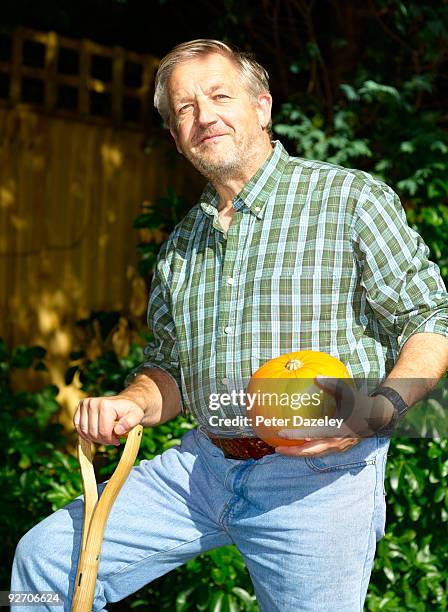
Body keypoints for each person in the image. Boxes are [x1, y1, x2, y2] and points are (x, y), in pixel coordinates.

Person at [11, 39, 448, 611]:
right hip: (203, 465)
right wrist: (134, 402)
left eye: (220, 96)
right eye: (185, 108)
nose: (204, 116)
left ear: (261, 107)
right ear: (175, 135)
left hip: (320, 476)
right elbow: (167, 368)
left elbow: (429, 320)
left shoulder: (350, 198)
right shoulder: (180, 245)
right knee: (42, 561)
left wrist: (378, 410)